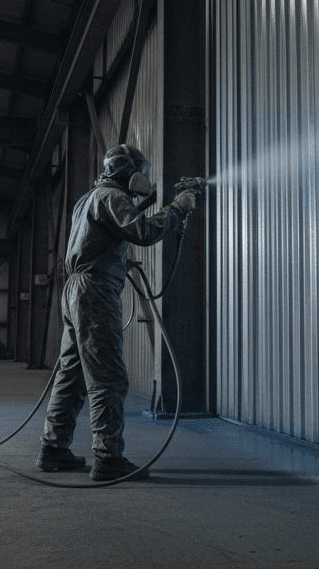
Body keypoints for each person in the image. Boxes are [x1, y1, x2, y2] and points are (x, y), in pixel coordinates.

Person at [37, 144, 200, 481]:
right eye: (141, 170)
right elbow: (144, 231)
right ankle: (108, 458)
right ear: (128, 170)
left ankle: (53, 449)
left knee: (72, 375)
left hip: (76, 291)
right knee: (109, 378)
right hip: (94, 293)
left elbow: (106, 235)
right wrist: (178, 208)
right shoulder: (112, 197)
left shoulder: (89, 199)